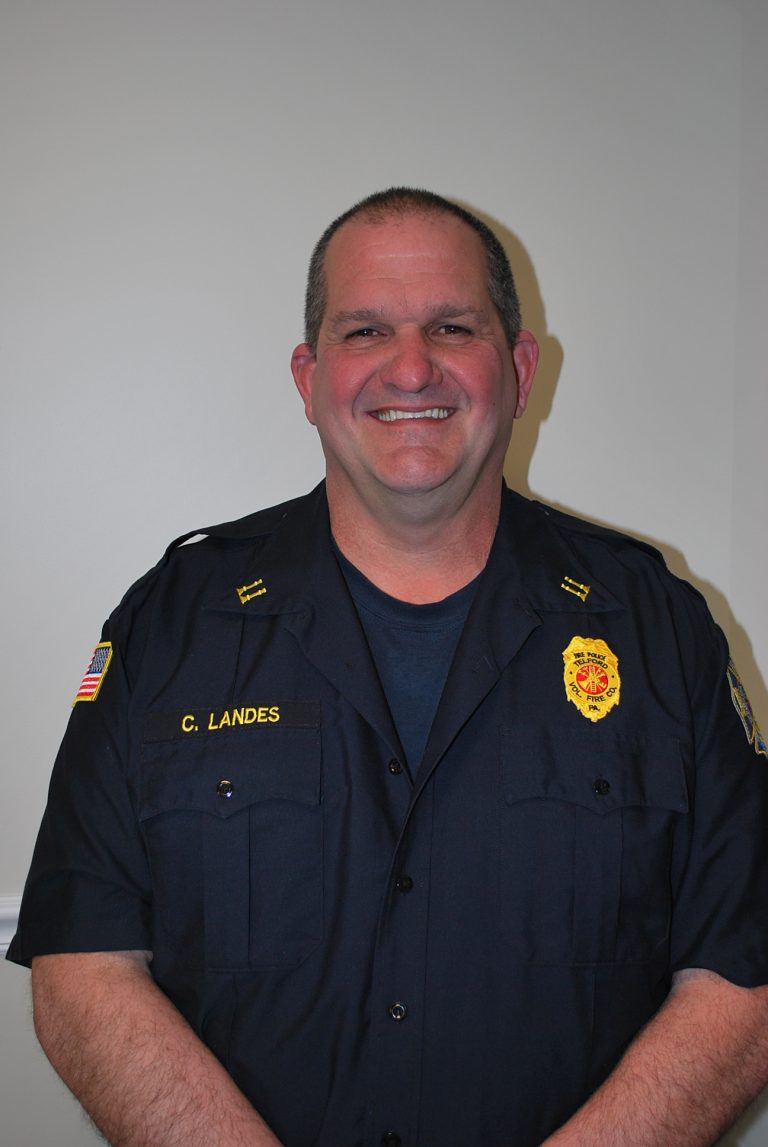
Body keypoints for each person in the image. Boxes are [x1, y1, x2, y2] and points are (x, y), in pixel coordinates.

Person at [8, 187, 768, 1147]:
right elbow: (84, 967)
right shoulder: (173, 625)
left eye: (452, 326)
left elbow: (742, 979)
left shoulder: (659, 629)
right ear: (308, 374)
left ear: (520, 367)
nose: (412, 368)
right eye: (365, 331)